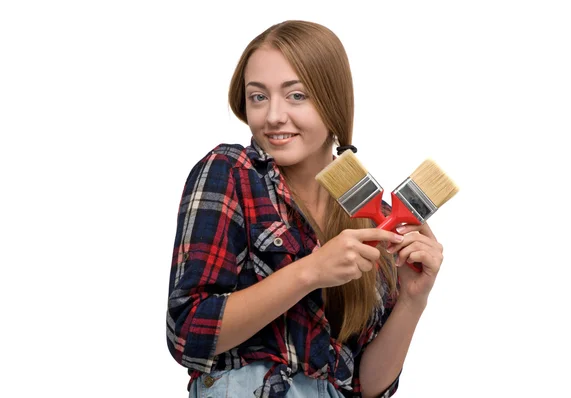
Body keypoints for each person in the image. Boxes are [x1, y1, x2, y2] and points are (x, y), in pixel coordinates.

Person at [166, 20, 444, 398]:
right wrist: (311, 271)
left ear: (333, 101)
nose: (274, 116)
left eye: (296, 96)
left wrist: (414, 298)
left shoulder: (369, 214)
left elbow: (365, 386)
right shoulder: (231, 172)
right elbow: (188, 332)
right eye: (258, 97)